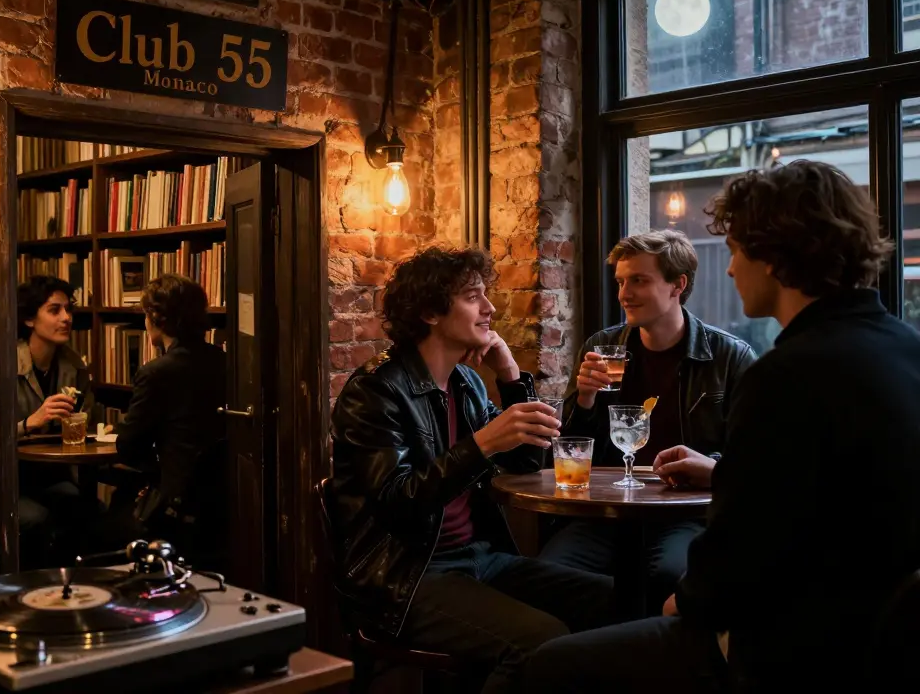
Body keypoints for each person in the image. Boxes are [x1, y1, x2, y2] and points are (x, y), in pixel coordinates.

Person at [523, 160, 920, 692]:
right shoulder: (906, 350)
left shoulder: (783, 373)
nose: (730, 270)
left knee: (549, 667)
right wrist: (586, 398)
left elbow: (743, 549)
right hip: (879, 639)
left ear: (775, 255)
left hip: (793, 644)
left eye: (734, 250)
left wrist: (688, 601)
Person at [326, 247, 613, 694]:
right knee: (540, 639)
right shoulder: (375, 391)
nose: (490, 308)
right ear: (429, 312)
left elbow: (521, 467)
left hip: (479, 556)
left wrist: (512, 375)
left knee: (615, 601)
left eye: (486, 295)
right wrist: (482, 444)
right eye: (472, 297)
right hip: (407, 574)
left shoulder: (466, 382)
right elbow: (397, 504)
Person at [541, 230, 756, 614]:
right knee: (550, 574)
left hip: (684, 512)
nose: (624, 294)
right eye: (621, 281)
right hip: (608, 511)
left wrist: (711, 466)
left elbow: (753, 453)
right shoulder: (602, 347)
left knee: (673, 575)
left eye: (639, 280)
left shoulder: (729, 356)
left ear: (678, 285)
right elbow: (568, 453)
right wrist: (585, 398)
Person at [103, 274, 227, 569]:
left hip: (174, 505)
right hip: (217, 500)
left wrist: (155, 468)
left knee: (101, 524)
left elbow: (129, 445)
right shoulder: (223, 361)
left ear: (157, 318)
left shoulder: (156, 372)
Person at [15, 275, 99, 569]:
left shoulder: (75, 366)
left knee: (87, 509)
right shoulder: (4, 364)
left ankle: (77, 590)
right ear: (29, 319)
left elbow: (87, 425)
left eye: (68, 310)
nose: (66, 318)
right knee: (35, 518)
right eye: (54, 310)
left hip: (55, 474)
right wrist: (30, 422)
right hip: (13, 480)